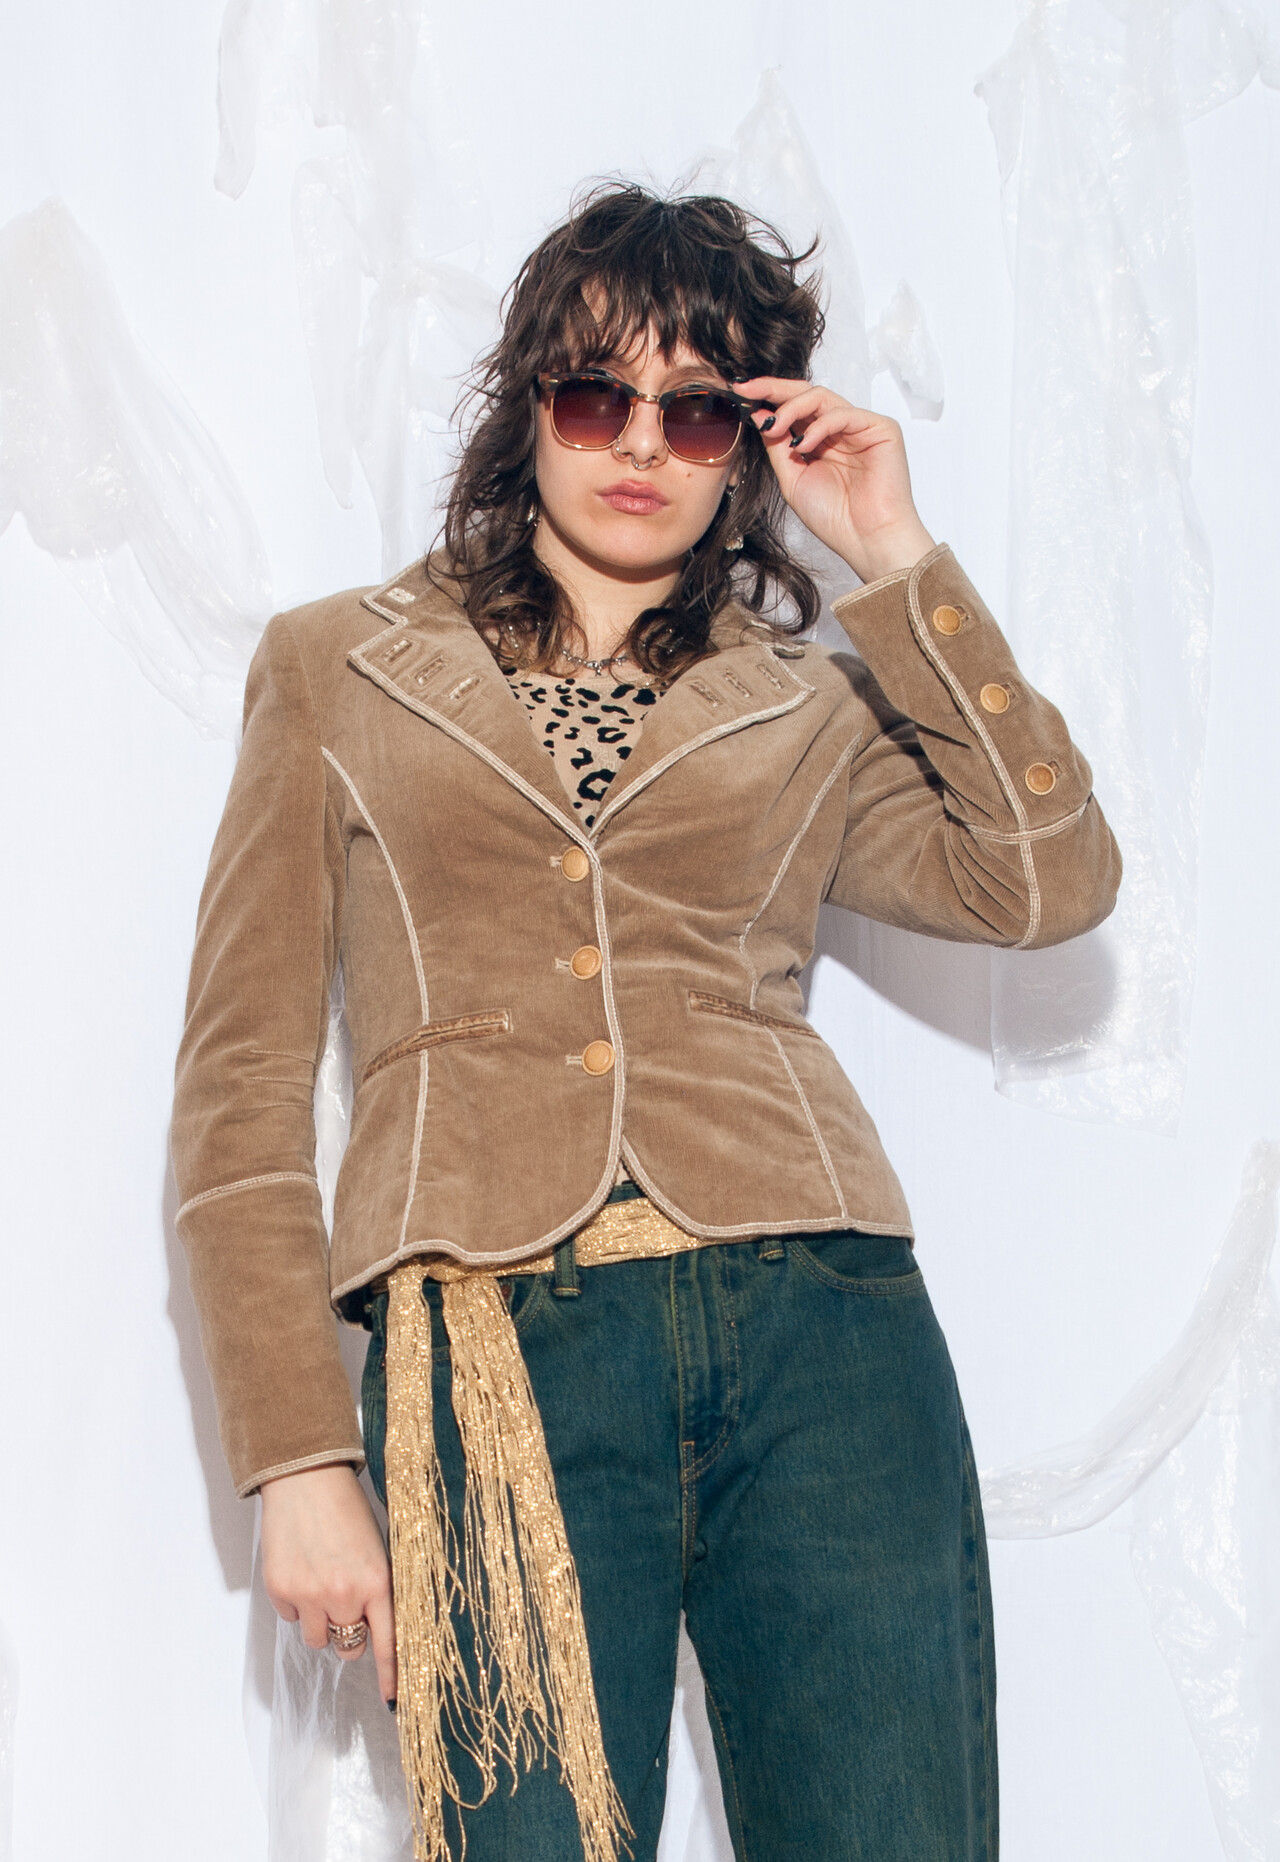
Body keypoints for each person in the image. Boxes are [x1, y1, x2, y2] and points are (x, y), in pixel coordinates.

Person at [171, 185, 1121, 1862]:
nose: (638, 445)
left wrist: (898, 559)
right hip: (492, 1358)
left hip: (823, 1338)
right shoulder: (334, 670)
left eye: (693, 411)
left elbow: (1046, 880)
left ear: (746, 446)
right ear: (527, 403)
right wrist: (296, 1454)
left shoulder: (806, 700)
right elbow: (239, 1086)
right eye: (596, 394)